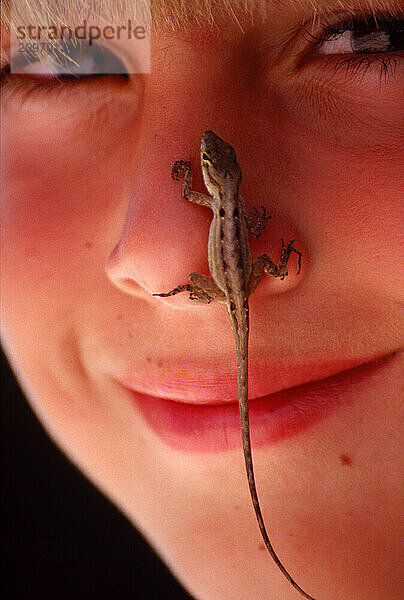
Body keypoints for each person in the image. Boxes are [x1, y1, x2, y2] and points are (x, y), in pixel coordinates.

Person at [1, 1, 402, 599]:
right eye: (69, 64)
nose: (159, 250)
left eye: (366, 38)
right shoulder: (226, 201)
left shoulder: (211, 199)